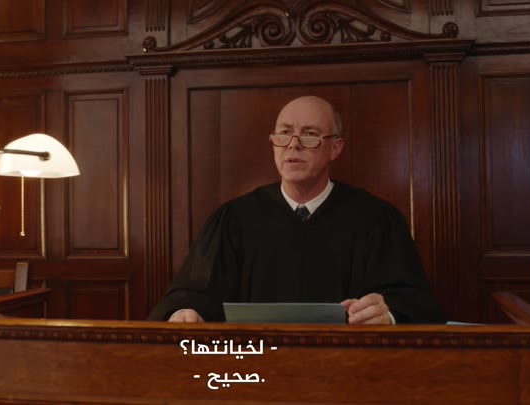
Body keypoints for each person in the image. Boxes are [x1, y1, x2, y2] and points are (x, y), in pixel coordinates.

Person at [147, 95, 446, 324]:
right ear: (273, 143)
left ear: (335, 148)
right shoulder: (233, 220)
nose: (293, 145)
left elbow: (415, 303)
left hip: (348, 371)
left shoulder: (377, 220)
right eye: (284, 133)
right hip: (253, 368)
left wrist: (387, 314)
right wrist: (184, 313)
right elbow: (191, 295)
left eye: (309, 134)